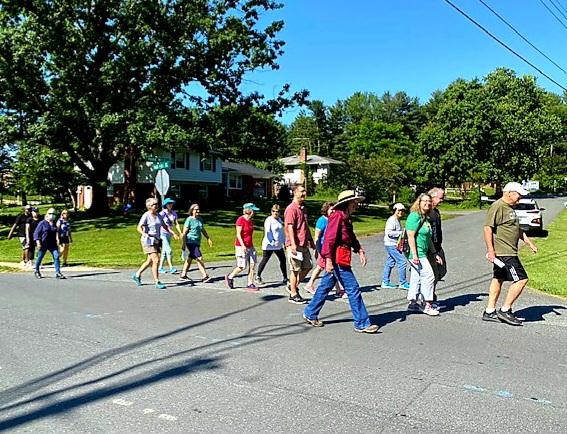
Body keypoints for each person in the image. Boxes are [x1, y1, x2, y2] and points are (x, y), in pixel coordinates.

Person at [303, 190, 379, 333]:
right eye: (354, 202)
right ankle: (362, 323)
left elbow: (351, 236)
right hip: (337, 259)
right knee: (353, 289)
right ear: (347, 203)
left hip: (341, 257)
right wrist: (328, 260)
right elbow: (329, 240)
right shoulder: (337, 216)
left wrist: (360, 250)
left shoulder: (346, 217)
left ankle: (310, 312)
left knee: (325, 287)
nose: (356, 204)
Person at [482, 182, 538, 326]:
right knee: (521, 279)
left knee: (498, 278)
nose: (520, 197)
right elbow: (488, 228)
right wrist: (490, 250)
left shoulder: (510, 208)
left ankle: (489, 311)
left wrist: (529, 243)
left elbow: (517, 229)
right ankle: (505, 310)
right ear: (508, 193)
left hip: (509, 251)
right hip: (504, 252)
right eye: (518, 194)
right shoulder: (498, 206)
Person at [406, 193, 443, 316]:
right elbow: (410, 236)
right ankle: (427, 304)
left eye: (429, 201)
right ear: (419, 202)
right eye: (424, 201)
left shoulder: (425, 217)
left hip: (422, 252)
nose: (427, 203)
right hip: (417, 253)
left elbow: (428, 239)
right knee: (429, 276)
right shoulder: (414, 216)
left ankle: (413, 303)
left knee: (416, 277)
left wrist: (435, 253)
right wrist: (415, 255)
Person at [304, 202, 344, 296]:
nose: (333, 211)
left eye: (334, 209)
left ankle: (337, 289)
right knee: (324, 267)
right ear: (326, 210)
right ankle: (310, 284)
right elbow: (317, 236)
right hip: (323, 248)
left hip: (330, 248)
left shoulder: (332, 219)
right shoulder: (322, 220)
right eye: (331, 209)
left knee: (325, 267)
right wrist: (316, 249)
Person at [284, 184, 315, 304]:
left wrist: (311, 240)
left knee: (308, 266)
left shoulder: (303, 209)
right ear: (295, 192)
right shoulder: (291, 209)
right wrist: (292, 244)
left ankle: (292, 286)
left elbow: (305, 226)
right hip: (294, 244)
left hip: (303, 243)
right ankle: (293, 294)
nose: (304, 194)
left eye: (304, 191)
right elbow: (290, 227)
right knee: (295, 269)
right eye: (301, 191)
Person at [132, 197, 168, 290]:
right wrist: (144, 233)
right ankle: (157, 281)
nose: (156, 206)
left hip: (156, 240)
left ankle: (137, 274)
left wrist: (173, 233)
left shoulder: (158, 215)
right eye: (154, 204)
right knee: (156, 260)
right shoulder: (146, 215)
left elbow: (164, 225)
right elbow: (139, 227)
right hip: (148, 241)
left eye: (156, 204)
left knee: (149, 261)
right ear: (149, 206)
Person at [225, 203, 259, 292]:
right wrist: (243, 245)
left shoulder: (250, 221)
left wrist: (252, 247)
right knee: (242, 266)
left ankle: (250, 283)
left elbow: (249, 235)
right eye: (253, 210)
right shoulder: (240, 220)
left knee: (252, 264)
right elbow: (238, 234)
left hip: (250, 246)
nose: (254, 212)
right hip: (241, 246)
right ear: (248, 210)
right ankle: (230, 277)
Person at [180, 203, 213, 283]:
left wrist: (208, 238)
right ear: (192, 210)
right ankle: (205, 276)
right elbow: (184, 233)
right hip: (190, 241)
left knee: (190, 257)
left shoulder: (200, 219)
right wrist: (183, 244)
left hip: (197, 242)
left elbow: (202, 230)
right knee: (199, 258)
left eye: (198, 209)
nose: (198, 211)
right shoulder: (189, 220)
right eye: (196, 209)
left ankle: (183, 274)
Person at [256, 204, 287, 285]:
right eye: (273, 211)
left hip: (278, 245)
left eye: (277, 211)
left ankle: (285, 277)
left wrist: (284, 242)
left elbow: (281, 232)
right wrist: (272, 241)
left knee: (283, 260)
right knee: (265, 260)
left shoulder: (279, 220)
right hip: (269, 245)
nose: (275, 213)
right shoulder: (269, 220)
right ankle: (258, 276)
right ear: (271, 211)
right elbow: (268, 232)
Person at [381, 203, 410, 289]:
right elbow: (389, 233)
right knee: (402, 261)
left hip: (393, 244)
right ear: (394, 210)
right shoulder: (392, 220)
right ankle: (403, 283)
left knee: (390, 262)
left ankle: (385, 282)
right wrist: (401, 233)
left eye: (402, 211)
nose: (400, 212)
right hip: (391, 244)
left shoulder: (397, 220)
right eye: (399, 210)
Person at [33, 207, 65, 279]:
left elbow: (57, 233)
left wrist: (59, 242)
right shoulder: (42, 223)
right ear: (47, 214)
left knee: (56, 256)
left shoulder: (54, 224)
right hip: (43, 243)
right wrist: (38, 242)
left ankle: (58, 272)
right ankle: (36, 271)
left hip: (52, 244)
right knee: (40, 257)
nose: (52, 215)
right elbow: (36, 233)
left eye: (53, 214)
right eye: (50, 213)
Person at [427, 187, 446, 305]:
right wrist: (432, 250)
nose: (442, 200)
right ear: (433, 197)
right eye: (440, 198)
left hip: (438, 246)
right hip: (430, 248)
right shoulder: (427, 213)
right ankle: (428, 298)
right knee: (432, 274)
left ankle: (430, 295)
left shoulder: (436, 212)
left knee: (441, 271)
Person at [158, 198, 182, 274]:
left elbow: (176, 224)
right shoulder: (162, 213)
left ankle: (160, 268)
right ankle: (171, 267)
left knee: (164, 251)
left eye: (171, 203)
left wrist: (180, 232)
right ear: (165, 205)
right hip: (162, 233)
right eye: (169, 203)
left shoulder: (174, 213)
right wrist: (174, 233)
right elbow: (162, 224)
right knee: (169, 250)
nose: (170, 205)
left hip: (169, 234)